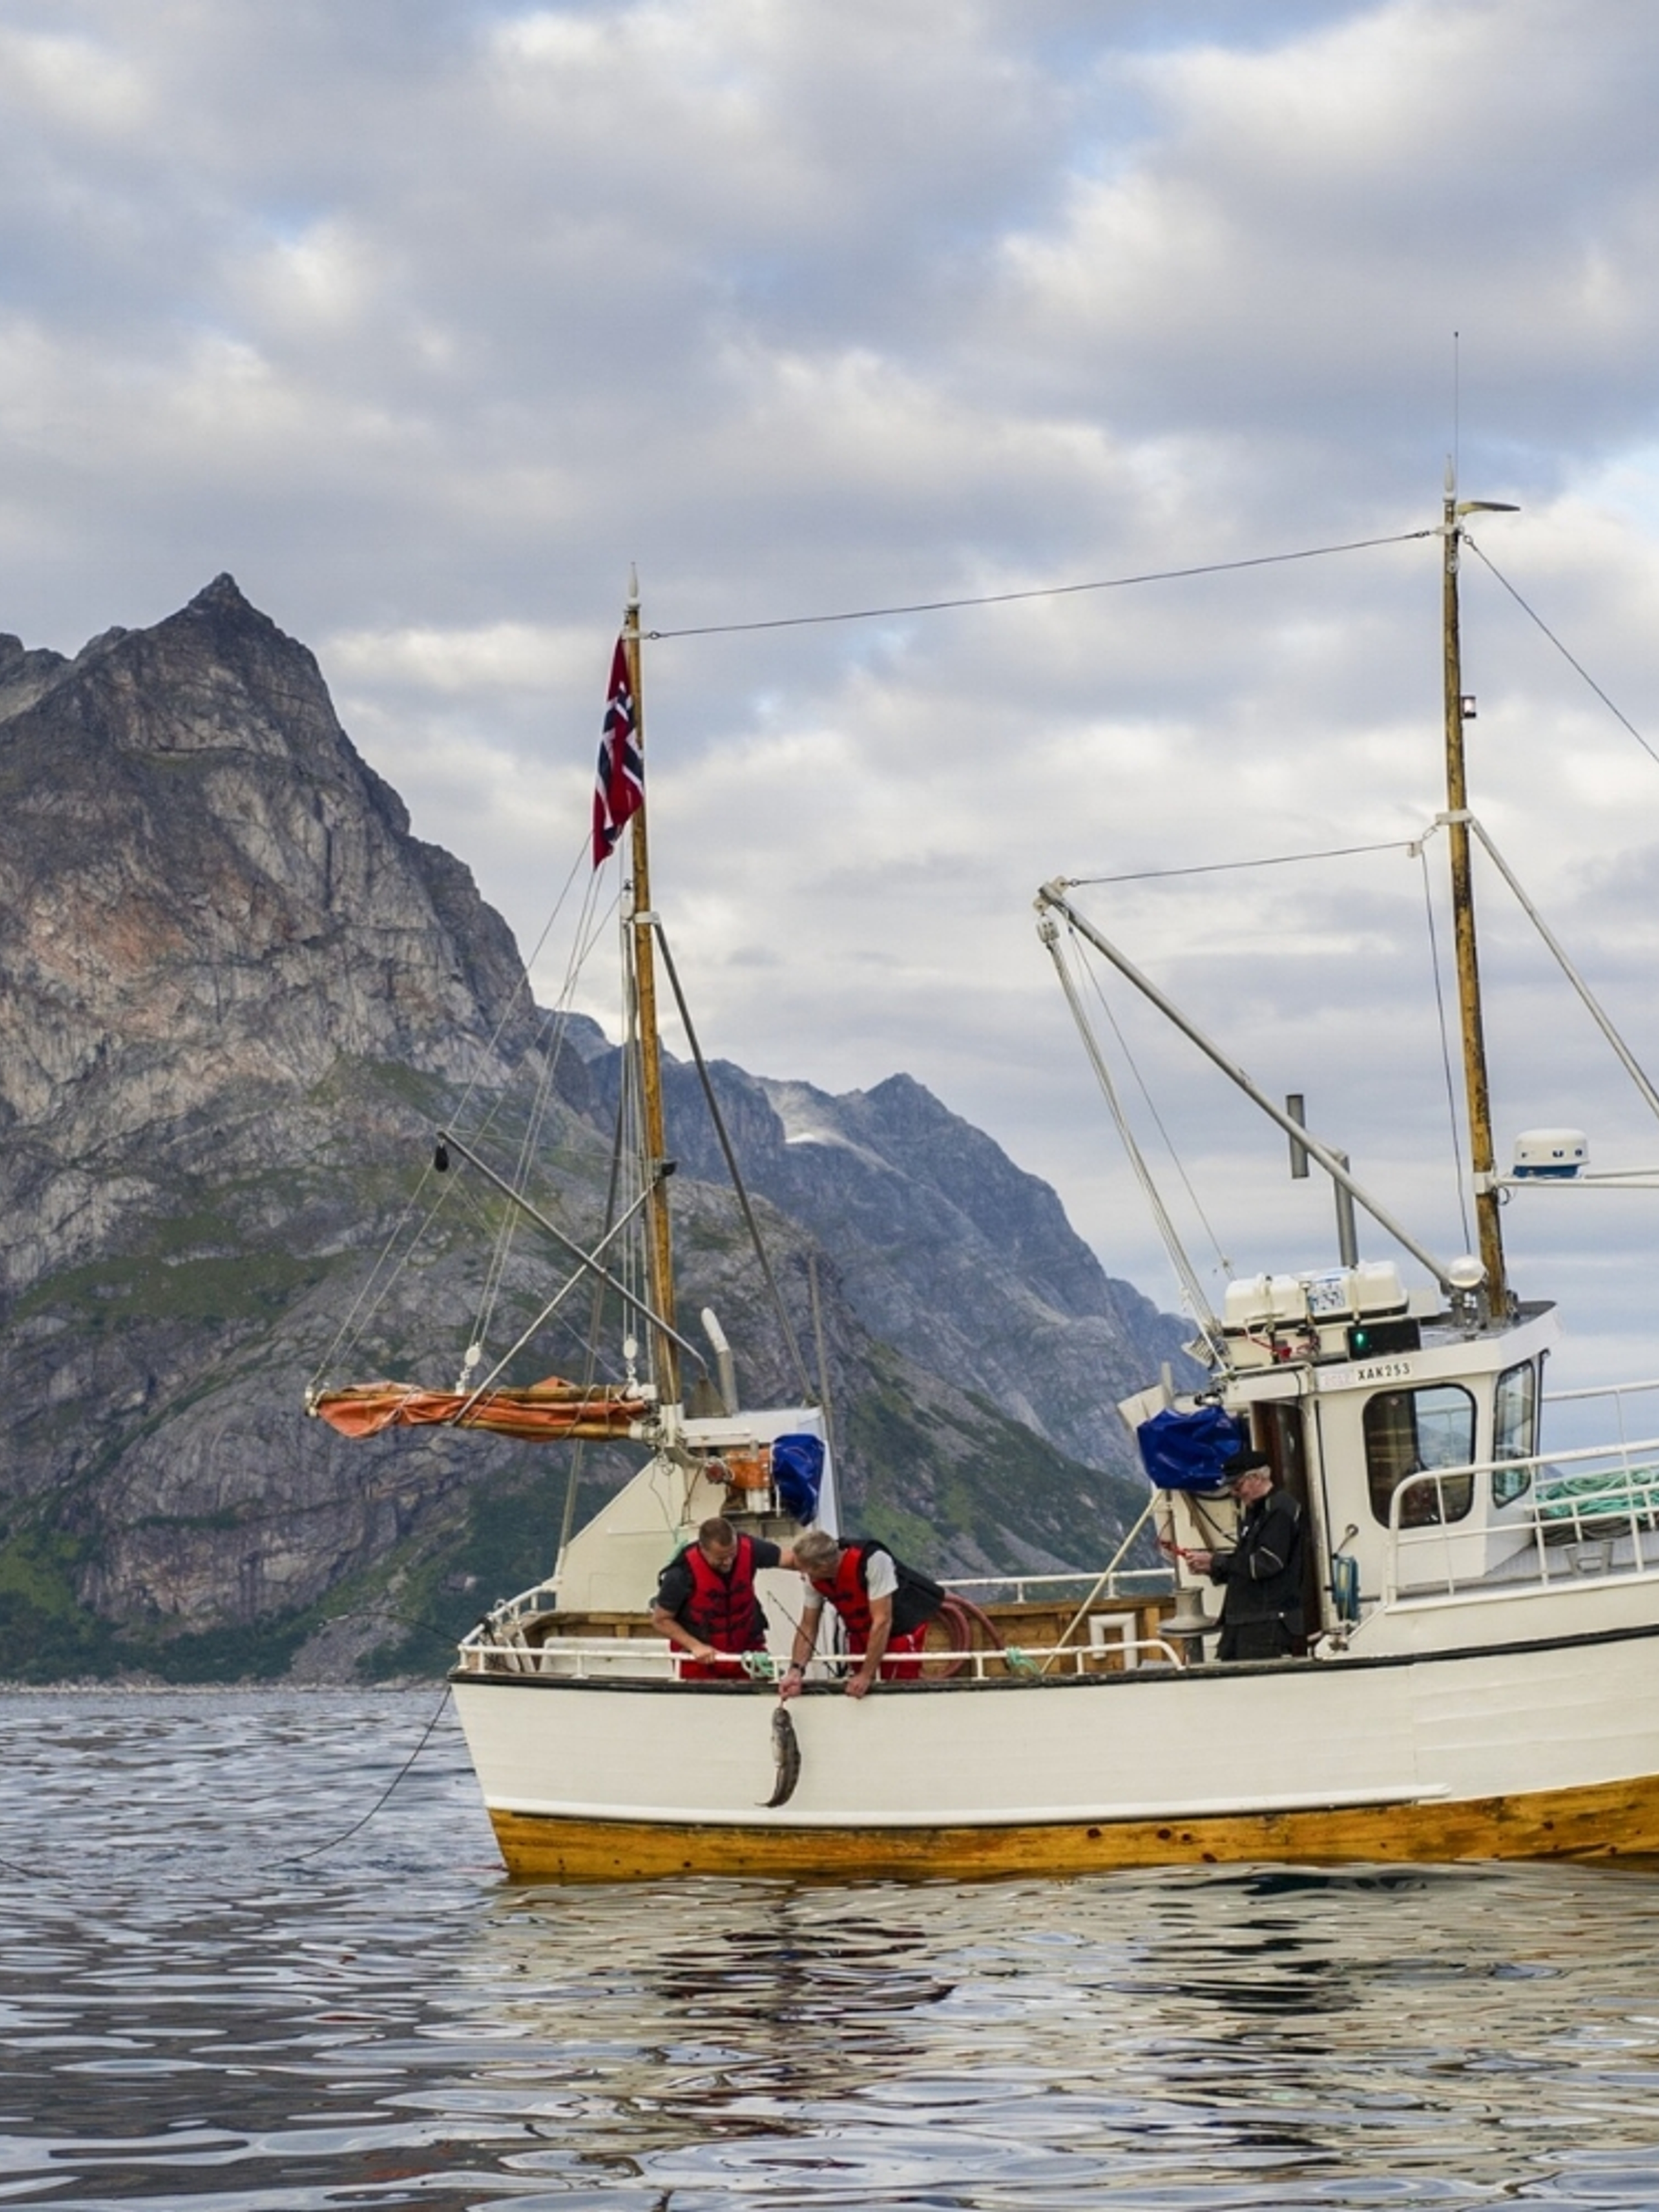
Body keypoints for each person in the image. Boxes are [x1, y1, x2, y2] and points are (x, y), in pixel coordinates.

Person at [1166, 1451, 1305, 1661]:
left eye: (1237, 1486)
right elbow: (1244, 1562)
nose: (1234, 1493)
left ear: (1256, 1479)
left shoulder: (1280, 1510)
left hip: (1265, 1626)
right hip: (1244, 1624)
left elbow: (1266, 1564)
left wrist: (1217, 1561)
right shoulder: (1255, 1512)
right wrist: (1213, 1567)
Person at [780, 1530, 945, 1699]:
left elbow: (882, 1620)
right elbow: (808, 1626)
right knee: (861, 1689)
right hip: (860, 1637)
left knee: (898, 1690)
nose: (803, 1576)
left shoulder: (873, 1561)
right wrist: (796, 1670)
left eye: (805, 1571)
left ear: (822, 1567)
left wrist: (866, 1675)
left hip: (898, 1632)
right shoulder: (813, 1579)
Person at [650, 1517, 800, 1680]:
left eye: (732, 1555)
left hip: (746, 1650)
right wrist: (695, 1646)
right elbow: (660, 1620)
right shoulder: (680, 1574)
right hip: (700, 1658)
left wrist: (810, 1571)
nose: (728, 1562)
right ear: (703, 1549)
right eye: (721, 1559)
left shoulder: (750, 1548)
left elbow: (791, 1559)